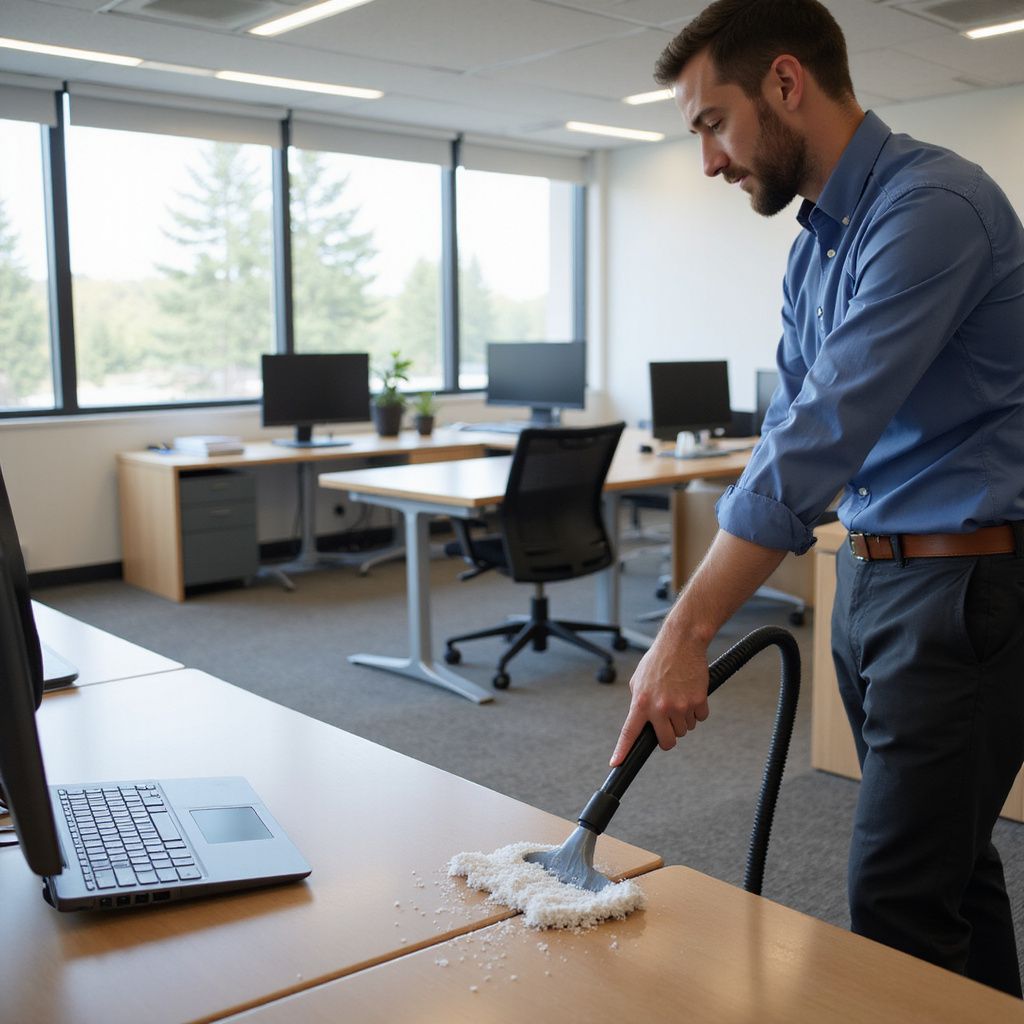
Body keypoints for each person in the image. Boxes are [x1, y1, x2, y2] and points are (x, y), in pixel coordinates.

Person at [609, 0, 1024, 997]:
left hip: (960, 588)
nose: (708, 160)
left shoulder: (934, 209)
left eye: (712, 121)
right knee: (947, 876)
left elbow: (819, 438)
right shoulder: (816, 247)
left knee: (892, 900)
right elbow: (788, 429)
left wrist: (687, 629)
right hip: (874, 578)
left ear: (786, 83)